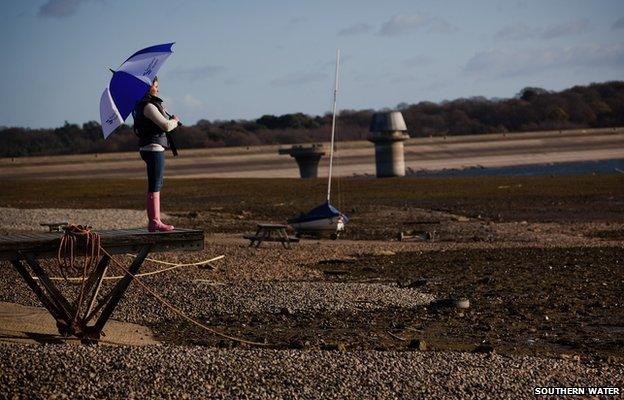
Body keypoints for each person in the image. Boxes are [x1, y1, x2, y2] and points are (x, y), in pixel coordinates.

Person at [132, 76, 179, 232]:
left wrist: (166, 114)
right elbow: (165, 126)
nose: (157, 89)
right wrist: (175, 121)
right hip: (154, 148)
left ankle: (155, 220)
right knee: (155, 185)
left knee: (156, 183)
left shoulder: (144, 105)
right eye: (155, 86)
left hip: (149, 147)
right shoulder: (148, 106)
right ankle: (155, 222)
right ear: (147, 87)